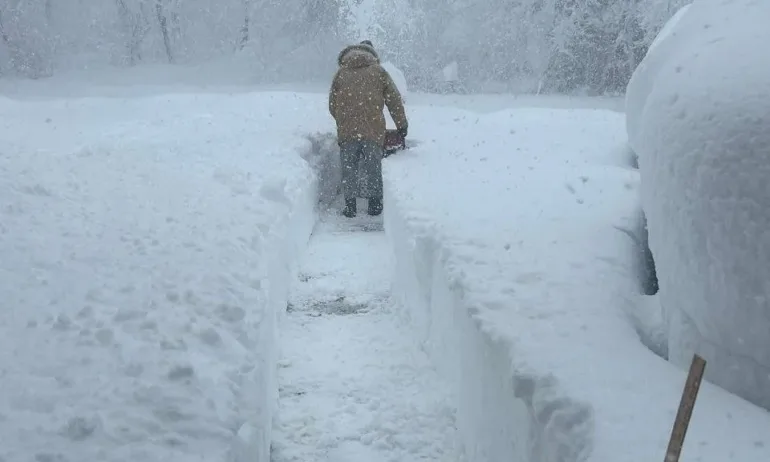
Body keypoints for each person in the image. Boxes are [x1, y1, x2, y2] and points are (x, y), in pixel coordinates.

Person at [328, 40, 408, 217]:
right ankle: (375, 205)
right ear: (372, 54)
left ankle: (350, 206)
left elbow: (332, 105)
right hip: (373, 129)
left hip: (348, 131)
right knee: (373, 167)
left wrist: (344, 120)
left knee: (349, 169)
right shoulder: (378, 71)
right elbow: (394, 100)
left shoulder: (341, 73)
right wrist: (402, 125)